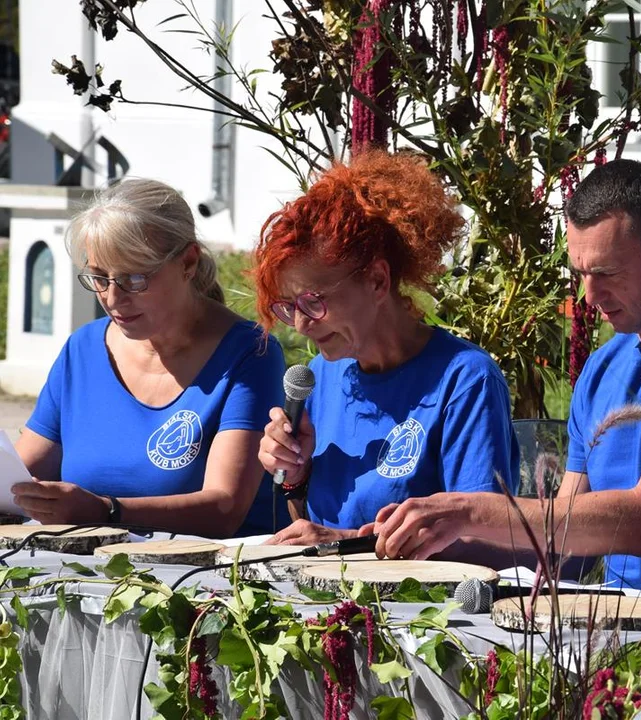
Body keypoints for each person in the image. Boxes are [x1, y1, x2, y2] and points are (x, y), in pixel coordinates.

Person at [366, 158, 641, 590]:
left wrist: (468, 510)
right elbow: (564, 546)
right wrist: (392, 543)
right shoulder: (605, 365)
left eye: (606, 272)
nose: (589, 297)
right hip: (629, 640)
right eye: (580, 273)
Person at [254, 150, 520, 550]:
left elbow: (482, 538)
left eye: (313, 301)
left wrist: (338, 543)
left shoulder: (464, 379)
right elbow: (310, 529)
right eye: (288, 307)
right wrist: (295, 475)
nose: (302, 323)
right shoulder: (321, 376)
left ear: (378, 281)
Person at [14, 179, 286, 537]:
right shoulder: (82, 349)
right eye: (98, 278)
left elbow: (223, 508)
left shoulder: (250, 354)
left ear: (187, 262)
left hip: (207, 583)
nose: (112, 297)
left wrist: (105, 511)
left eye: (134, 278)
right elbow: (18, 479)